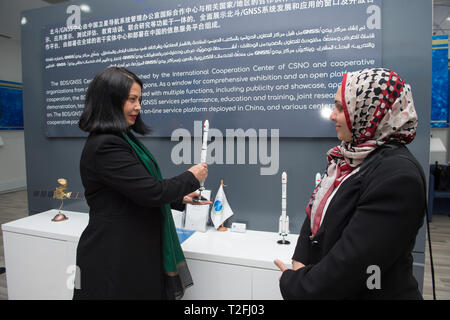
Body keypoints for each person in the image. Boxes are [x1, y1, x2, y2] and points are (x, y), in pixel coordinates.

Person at [274, 68, 426, 299]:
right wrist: (300, 262)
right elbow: (316, 216)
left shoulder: (398, 176)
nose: (332, 116)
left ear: (369, 111)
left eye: (340, 108)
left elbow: (353, 266)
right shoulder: (346, 159)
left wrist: (297, 284)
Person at [73, 66, 211, 300]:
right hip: (114, 255)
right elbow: (151, 192)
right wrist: (191, 177)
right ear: (110, 101)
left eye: (140, 99)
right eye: (132, 99)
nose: (138, 106)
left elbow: (134, 189)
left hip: (132, 250)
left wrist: (180, 197)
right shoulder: (105, 146)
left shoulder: (123, 138)